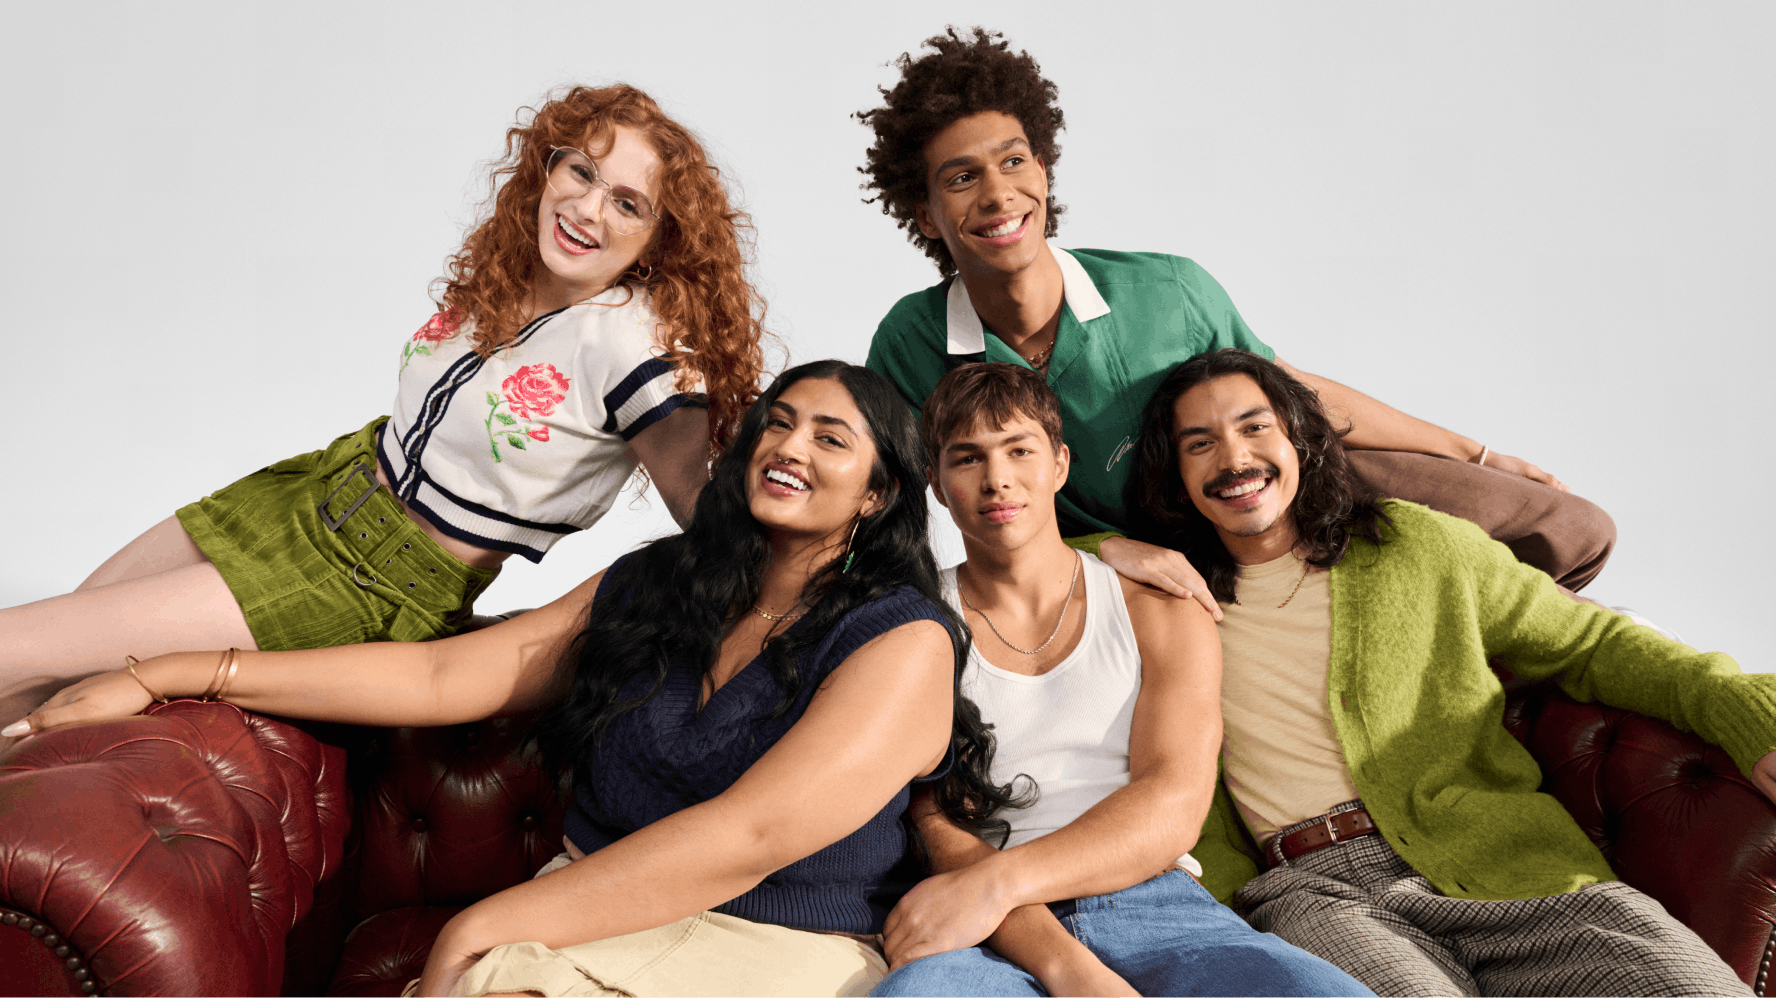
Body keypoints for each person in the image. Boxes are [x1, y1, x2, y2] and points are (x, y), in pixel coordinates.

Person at [5, 361, 1026, 998]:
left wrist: (487, 921)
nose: (788, 444)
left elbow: (750, 835)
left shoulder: (902, 640)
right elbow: (451, 669)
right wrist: (164, 673)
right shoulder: (659, 584)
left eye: (829, 436)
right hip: (579, 918)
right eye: (778, 420)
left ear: (879, 490)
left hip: (773, 954)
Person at [0, 84, 769, 730]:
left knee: (16, 644)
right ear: (548, 164)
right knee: (36, 669)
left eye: (626, 203)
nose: (587, 208)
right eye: (581, 172)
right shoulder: (511, 268)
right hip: (312, 490)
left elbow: (711, 510)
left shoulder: (640, 348)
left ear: (657, 238)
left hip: (376, 578)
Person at [856, 27, 1614, 619]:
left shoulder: (1166, 288)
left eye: (1014, 162)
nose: (997, 193)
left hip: (1270, 485)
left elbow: (1282, 391)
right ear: (925, 213)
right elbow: (928, 504)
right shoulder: (910, 344)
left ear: (1044, 170)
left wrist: (1473, 452)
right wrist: (1102, 551)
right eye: (962, 178)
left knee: (1568, 528)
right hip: (1152, 562)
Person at [1123, 348, 1772, 997]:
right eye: (1199, 443)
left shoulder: (1416, 546)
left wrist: (1747, 713)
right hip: (1317, 891)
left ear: (1299, 438)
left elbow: (1593, 644)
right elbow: (1032, 552)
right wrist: (1115, 545)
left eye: (1255, 427)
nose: (1234, 459)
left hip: (1513, 865)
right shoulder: (1160, 598)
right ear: (1176, 475)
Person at [866, 362, 1371, 997]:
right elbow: (935, 822)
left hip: (1155, 906)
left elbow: (1173, 803)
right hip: (984, 929)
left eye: (1019, 450)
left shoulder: (1160, 605)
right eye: (967, 459)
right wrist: (1065, 966)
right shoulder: (911, 627)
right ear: (937, 485)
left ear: (1060, 464)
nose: (998, 479)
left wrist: (998, 884)